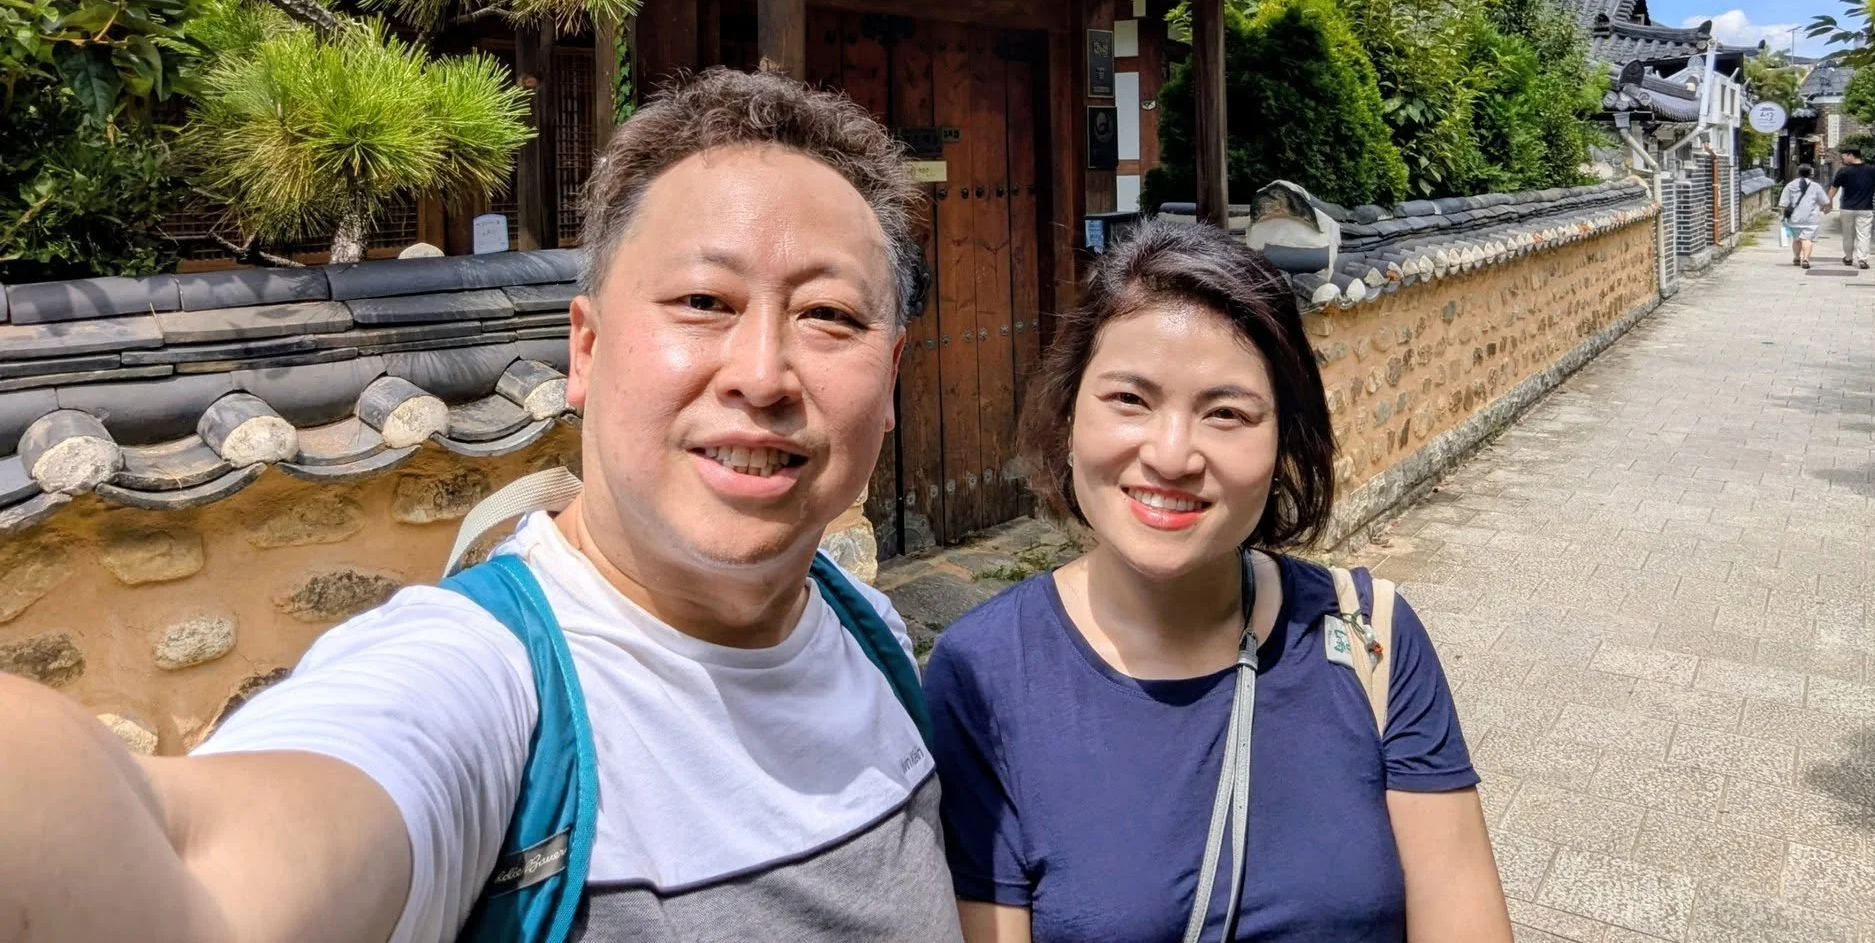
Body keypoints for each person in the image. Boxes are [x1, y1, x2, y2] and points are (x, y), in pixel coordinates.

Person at [0, 69, 962, 942]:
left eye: (829, 315)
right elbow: (199, 881)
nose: (762, 374)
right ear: (585, 351)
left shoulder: (868, 634)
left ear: (889, 379)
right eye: (704, 302)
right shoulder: (487, 687)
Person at [924, 222, 1511, 943]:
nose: (1172, 456)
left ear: (1283, 439)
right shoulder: (982, 674)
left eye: (1227, 413)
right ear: (1070, 416)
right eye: (1129, 399)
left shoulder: (1373, 637)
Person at [1831, 146, 1875, 270]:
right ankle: (1862, 259)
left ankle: (1848, 258)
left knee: (1848, 234)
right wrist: (1870, 188)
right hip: (1865, 208)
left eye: (1844, 156)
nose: (1843, 159)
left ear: (1850, 155)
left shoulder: (1844, 171)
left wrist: (1827, 202)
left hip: (1847, 208)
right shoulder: (1872, 170)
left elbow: (1834, 188)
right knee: (1864, 235)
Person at [1780, 163, 1828, 270]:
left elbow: (1784, 203)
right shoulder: (1816, 186)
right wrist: (1821, 208)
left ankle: (1797, 257)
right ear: (1810, 174)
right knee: (1807, 239)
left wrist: (1784, 216)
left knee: (1797, 239)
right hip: (1811, 218)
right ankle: (1805, 259)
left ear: (1798, 172)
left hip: (1795, 218)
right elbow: (1824, 201)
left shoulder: (1790, 186)